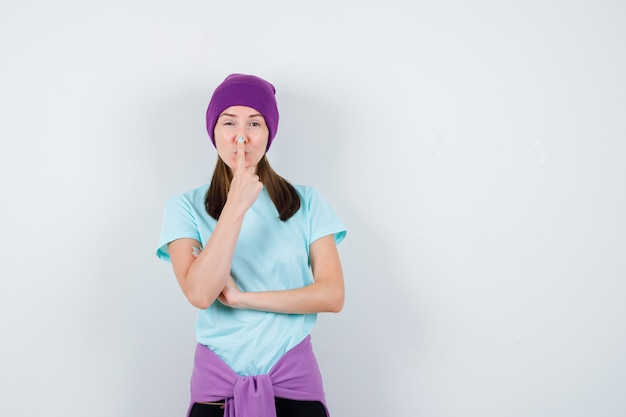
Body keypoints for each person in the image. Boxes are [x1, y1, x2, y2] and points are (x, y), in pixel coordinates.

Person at [156, 73, 346, 417]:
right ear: (213, 131)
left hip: (294, 384)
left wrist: (243, 299)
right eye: (229, 122)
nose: (241, 136)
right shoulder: (183, 207)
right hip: (217, 389)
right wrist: (235, 206)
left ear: (269, 133)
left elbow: (332, 295)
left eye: (254, 123)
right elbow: (199, 293)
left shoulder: (307, 202)